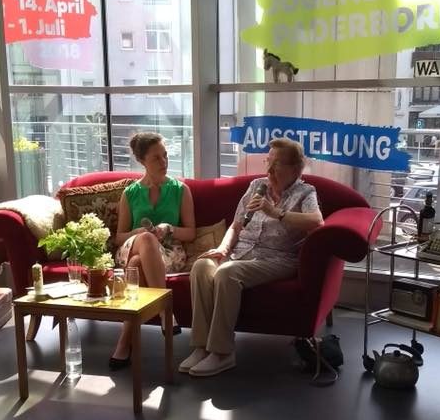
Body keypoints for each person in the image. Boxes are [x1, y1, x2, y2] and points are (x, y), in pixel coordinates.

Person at [179, 138, 323, 377]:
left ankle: (223, 353)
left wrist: (276, 212)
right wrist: (223, 249)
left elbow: (317, 222)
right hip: (240, 252)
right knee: (202, 266)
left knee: (227, 273)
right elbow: (236, 226)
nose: (269, 170)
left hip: (277, 258)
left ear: (296, 169)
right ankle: (201, 347)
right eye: (268, 161)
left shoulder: (305, 192)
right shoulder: (257, 185)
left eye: (277, 164)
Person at [109, 132, 196, 369]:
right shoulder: (130, 193)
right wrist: (139, 233)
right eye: (156, 158)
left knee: (136, 265)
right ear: (142, 161)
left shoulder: (181, 190)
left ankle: (124, 344)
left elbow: (190, 232)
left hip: (167, 253)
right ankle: (165, 311)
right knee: (145, 240)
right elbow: (119, 237)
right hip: (132, 246)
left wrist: (169, 228)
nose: (164, 161)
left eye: (165, 155)